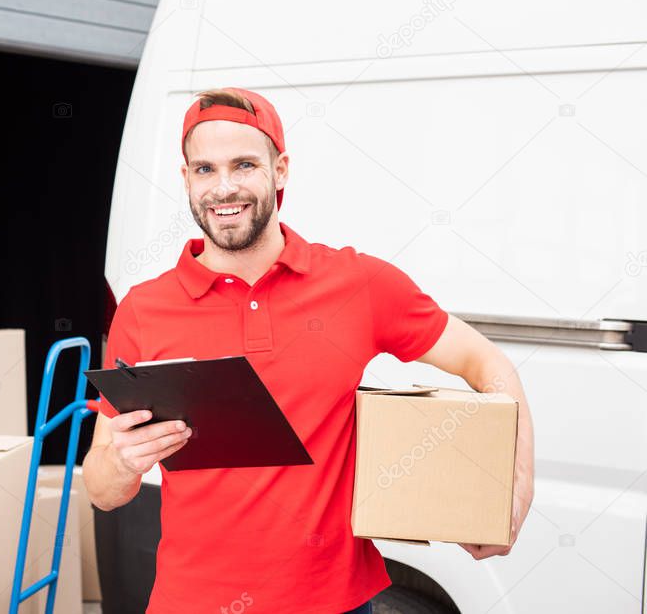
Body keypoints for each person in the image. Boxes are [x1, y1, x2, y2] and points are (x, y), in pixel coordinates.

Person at [83, 88, 535, 613]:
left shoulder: (358, 284)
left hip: (336, 604)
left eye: (244, 164)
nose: (223, 187)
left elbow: (489, 365)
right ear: (185, 179)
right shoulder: (144, 309)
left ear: (280, 170)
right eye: (205, 169)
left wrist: (513, 494)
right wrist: (121, 461)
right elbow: (101, 489)